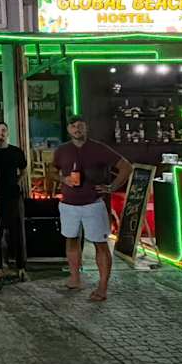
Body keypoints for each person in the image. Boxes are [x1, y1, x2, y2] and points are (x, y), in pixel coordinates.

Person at [53, 115, 131, 302]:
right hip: (68, 204)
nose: (77, 129)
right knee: (71, 239)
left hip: (93, 204)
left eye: (80, 126)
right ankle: (75, 279)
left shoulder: (99, 148)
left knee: (100, 244)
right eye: (73, 126)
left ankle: (102, 287)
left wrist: (112, 187)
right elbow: (52, 171)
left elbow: (126, 167)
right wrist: (63, 179)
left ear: (86, 128)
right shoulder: (62, 150)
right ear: (68, 130)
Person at [0, 121, 29, 284]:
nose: (0, 133)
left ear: (7, 133)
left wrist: (16, 181)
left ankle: (21, 267)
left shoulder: (16, 152)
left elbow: (24, 170)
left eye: (3, 130)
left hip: (13, 197)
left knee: (17, 233)